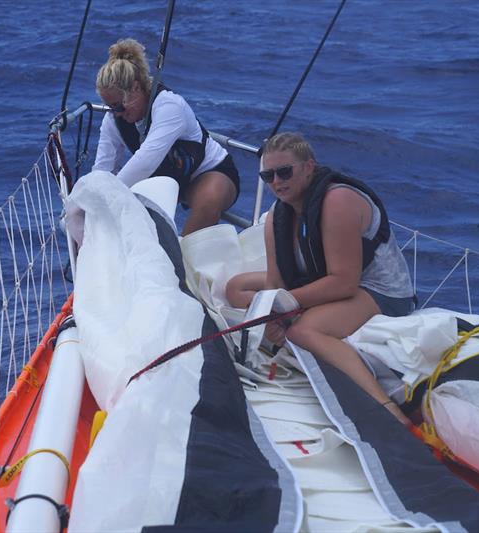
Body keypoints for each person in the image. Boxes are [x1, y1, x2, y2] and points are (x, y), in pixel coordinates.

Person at [226, 132, 415, 424]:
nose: (276, 182)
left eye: (284, 172)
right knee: (236, 288)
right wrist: (271, 316)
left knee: (302, 331)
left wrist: (284, 307)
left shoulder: (338, 201)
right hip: (321, 279)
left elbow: (344, 282)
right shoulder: (277, 215)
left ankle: (388, 410)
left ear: (309, 167)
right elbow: (277, 283)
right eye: (268, 176)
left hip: (377, 290)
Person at [92, 38, 240, 236]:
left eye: (118, 106)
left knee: (209, 199)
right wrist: (89, 204)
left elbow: (145, 161)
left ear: (136, 88)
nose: (116, 113)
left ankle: (184, 261)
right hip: (168, 181)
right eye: (111, 108)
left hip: (209, 173)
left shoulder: (169, 107)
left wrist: (109, 198)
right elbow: (102, 170)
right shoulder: (114, 120)